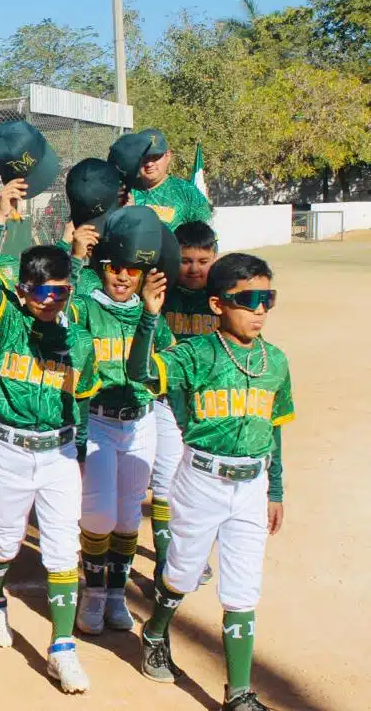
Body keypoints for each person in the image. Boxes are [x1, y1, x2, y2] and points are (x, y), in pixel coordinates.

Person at [130, 254, 292, 711]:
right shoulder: (197, 353)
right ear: (218, 304)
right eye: (249, 300)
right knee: (180, 573)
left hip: (251, 486)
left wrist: (275, 490)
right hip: (202, 480)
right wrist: (149, 317)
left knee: (243, 589)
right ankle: (157, 629)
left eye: (268, 299)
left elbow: (275, 430)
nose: (260, 309)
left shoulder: (275, 361)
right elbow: (140, 374)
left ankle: (238, 692)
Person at [0, 178, 99, 694]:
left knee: (63, 549)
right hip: (9, 449)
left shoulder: (79, 340)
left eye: (63, 291)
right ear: (24, 290)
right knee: (3, 541)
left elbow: (84, 400)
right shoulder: (8, 325)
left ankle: (61, 649)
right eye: (44, 291)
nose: (54, 300)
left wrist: (84, 450)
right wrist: (0, 222)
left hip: (59, 453)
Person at [68, 206, 174, 638]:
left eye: (134, 268)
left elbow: (146, 371)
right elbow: (64, 304)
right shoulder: (87, 307)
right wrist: (76, 257)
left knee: (129, 515)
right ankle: (92, 594)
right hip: (97, 420)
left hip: (139, 421)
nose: (123, 276)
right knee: (98, 513)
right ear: (103, 266)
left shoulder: (154, 313)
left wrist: (150, 313)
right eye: (115, 267)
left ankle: (115, 593)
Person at [150, 220, 221, 586]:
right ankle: (165, 561)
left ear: (215, 257)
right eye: (186, 260)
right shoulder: (165, 292)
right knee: (164, 483)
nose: (194, 269)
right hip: (165, 400)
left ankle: (191, 554)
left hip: (208, 406)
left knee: (201, 487)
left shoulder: (225, 296)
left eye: (203, 260)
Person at [132, 128, 212, 231]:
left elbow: (207, 240)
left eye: (155, 157)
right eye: (144, 157)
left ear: (168, 156)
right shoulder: (124, 190)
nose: (149, 163)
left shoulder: (187, 192)